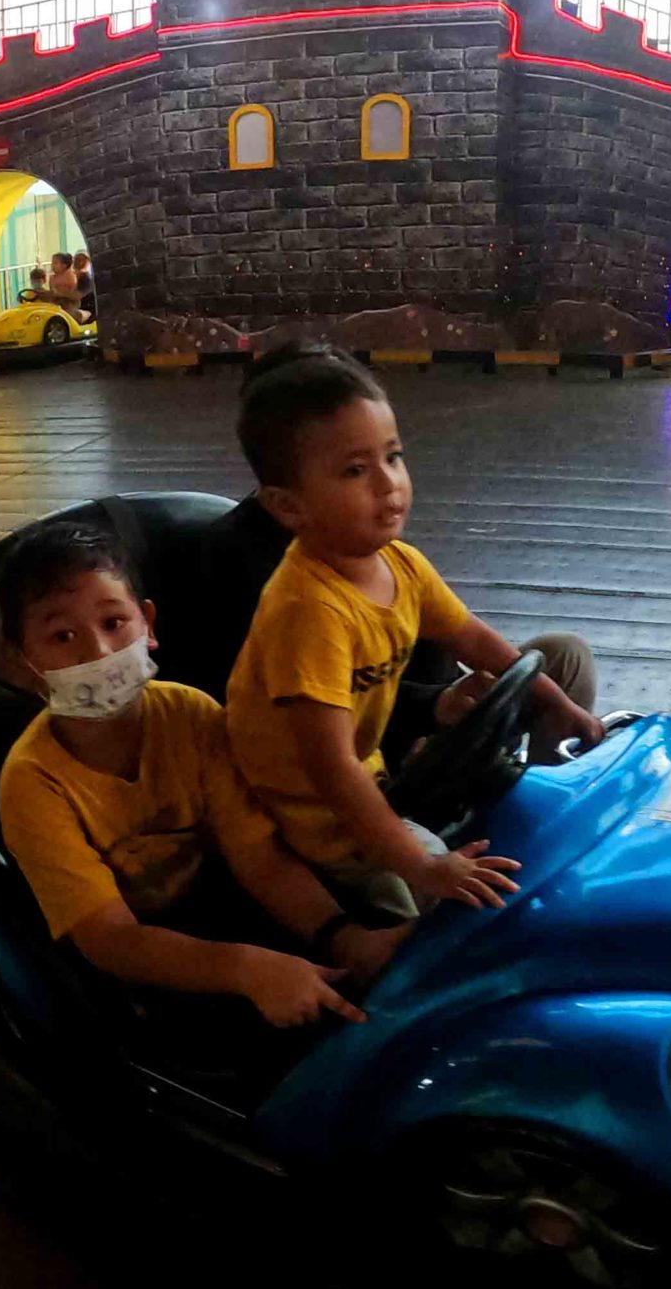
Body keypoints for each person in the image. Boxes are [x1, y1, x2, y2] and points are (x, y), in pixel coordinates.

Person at [224, 346, 603, 920]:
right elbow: (333, 772)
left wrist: (555, 702)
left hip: (377, 787)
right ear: (288, 505)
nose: (388, 484)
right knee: (450, 915)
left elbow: (475, 639)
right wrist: (422, 866)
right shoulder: (307, 610)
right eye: (356, 470)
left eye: (393, 457)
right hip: (315, 829)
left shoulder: (400, 564)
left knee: (553, 681)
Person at [0, 520, 406, 1029]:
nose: (97, 652)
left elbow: (258, 856)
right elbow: (111, 939)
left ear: (148, 623)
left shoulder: (192, 716)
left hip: (226, 907)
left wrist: (341, 938)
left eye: (113, 622)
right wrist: (247, 970)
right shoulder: (33, 784)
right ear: (20, 663)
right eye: (62, 636)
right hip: (145, 967)